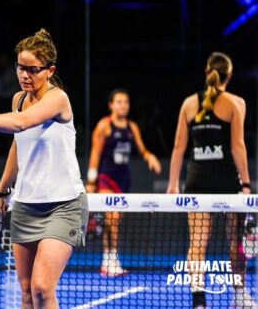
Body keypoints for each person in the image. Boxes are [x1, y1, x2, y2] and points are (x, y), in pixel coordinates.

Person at [0, 29, 87, 309]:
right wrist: (1, 192)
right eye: (20, 67)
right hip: (25, 206)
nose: (25, 75)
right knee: (26, 293)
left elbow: (21, 123)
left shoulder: (58, 99)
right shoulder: (19, 99)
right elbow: (18, 145)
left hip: (64, 206)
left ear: (50, 71)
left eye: (33, 69)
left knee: (42, 289)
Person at [166, 52, 256, 309]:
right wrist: (246, 185)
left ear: (207, 72)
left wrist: (173, 184)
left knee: (197, 243)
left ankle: (199, 303)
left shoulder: (188, 104)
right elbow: (238, 147)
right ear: (229, 75)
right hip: (228, 183)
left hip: (197, 182)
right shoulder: (236, 103)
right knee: (235, 243)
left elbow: (178, 147)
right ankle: (240, 296)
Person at [85, 89, 162, 276]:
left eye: (126, 102)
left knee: (115, 222)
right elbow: (95, 154)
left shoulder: (132, 127)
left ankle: (110, 260)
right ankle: (109, 260)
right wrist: (91, 182)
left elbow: (142, 150)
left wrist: (150, 157)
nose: (123, 105)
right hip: (105, 179)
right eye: (119, 102)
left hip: (123, 181)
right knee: (112, 219)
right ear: (111, 105)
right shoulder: (104, 126)